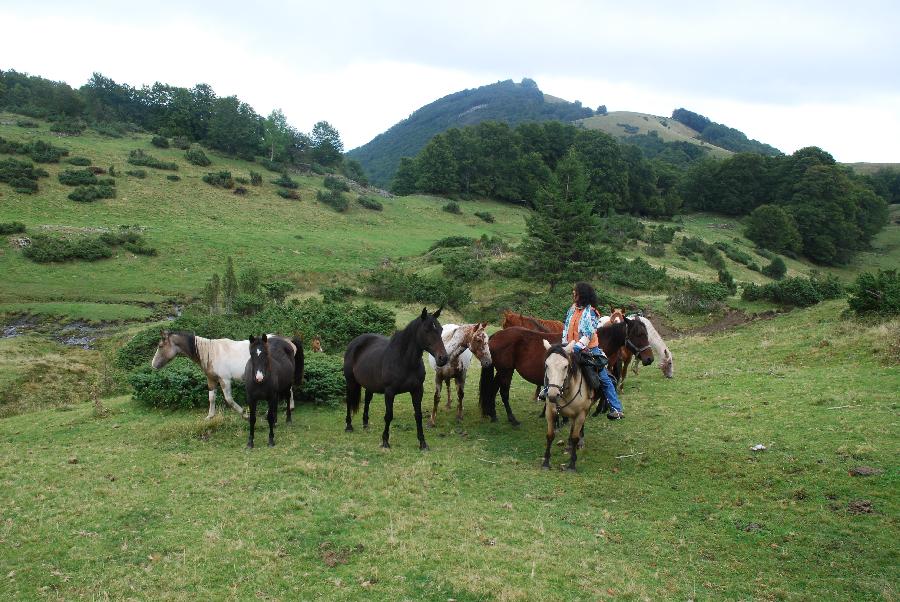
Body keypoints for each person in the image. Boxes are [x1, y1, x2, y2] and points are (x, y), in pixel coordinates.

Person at [561, 282, 625, 420]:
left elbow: (589, 333)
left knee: (604, 378)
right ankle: (548, 391)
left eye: (575, 292)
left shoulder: (591, 312)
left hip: (589, 349)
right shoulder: (572, 310)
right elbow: (566, 328)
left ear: (581, 294)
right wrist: (564, 345)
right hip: (570, 346)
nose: (573, 293)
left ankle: (616, 408)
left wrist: (577, 347)